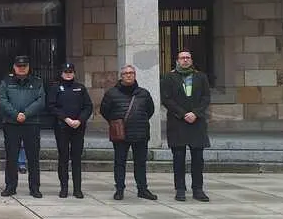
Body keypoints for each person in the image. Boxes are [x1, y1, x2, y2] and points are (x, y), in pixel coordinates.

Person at [100, 65, 157, 201]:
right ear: (121, 76)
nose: (129, 75)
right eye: (125, 73)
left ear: (135, 75)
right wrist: (115, 122)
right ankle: (119, 190)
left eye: (131, 73)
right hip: (120, 134)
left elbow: (150, 110)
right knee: (120, 162)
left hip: (140, 133)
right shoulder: (111, 93)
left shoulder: (143, 93)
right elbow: (104, 111)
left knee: (140, 163)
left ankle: (142, 189)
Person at [161, 50, 211, 202]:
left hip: (197, 122)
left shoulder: (200, 77)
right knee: (178, 158)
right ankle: (180, 189)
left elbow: (206, 97)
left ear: (191, 60)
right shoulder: (169, 77)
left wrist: (195, 113)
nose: (185, 60)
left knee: (197, 158)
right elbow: (167, 99)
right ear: (177, 60)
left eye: (187, 58)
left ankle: (198, 189)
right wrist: (183, 114)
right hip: (178, 123)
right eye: (182, 58)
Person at [0, 55, 46, 197]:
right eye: (19, 66)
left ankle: (35, 188)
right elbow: (2, 100)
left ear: (28, 67)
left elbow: (41, 100)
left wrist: (26, 114)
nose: (21, 68)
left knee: (33, 158)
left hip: (31, 124)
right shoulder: (6, 81)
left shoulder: (37, 82)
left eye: (24, 66)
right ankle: (10, 186)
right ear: (14, 67)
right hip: (12, 124)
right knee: (11, 157)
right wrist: (15, 114)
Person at [48, 62, 93, 199]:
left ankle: (77, 189)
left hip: (78, 127)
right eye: (66, 72)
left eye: (70, 72)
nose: (68, 74)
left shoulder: (80, 88)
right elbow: (51, 106)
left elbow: (88, 106)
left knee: (76, 158)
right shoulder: (55, 88)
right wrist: (66, 119)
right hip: (62, 127)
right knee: (63, 158)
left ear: (74, 73)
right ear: (61, 73)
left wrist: (80, 120)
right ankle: (64, 188)